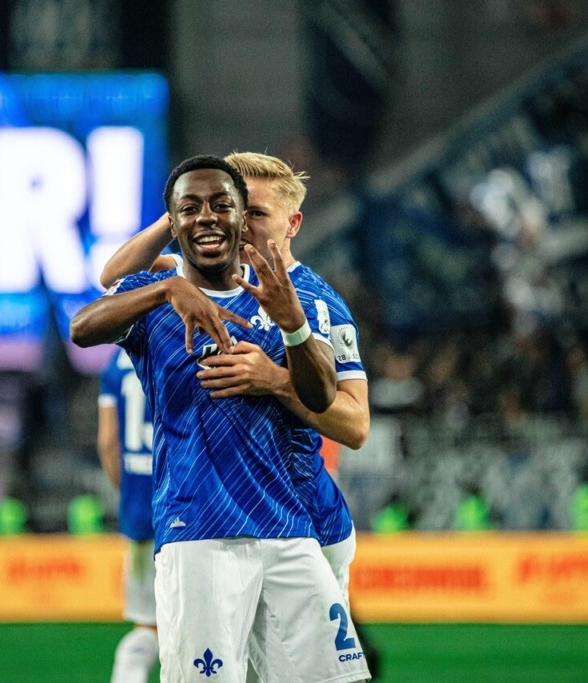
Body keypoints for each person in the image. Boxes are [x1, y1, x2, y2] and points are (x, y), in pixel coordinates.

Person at [71, 154, 369, 683]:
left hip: (299, 518)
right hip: (199, 529)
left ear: (291, 224)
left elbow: (345, 416)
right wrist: (170, 279)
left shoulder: (307, 299)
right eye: (193, 208)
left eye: (239, 209)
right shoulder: (164, 289)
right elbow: (98, 299)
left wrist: (277, 365)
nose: (229, 222)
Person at [97, 348, 159, 682]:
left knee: (147, 624)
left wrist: (128, 493)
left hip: (139, 511)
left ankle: (127, 674)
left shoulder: (115, 364)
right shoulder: (178, 344)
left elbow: (108, 442)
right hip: (188, 509)